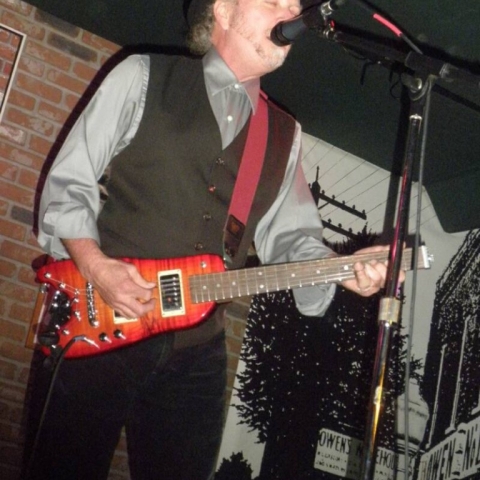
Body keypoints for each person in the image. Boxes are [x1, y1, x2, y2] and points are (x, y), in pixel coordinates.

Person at [24, 1, 397, 479]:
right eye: (274, 1)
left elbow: (295, 239)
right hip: (97, 320)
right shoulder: (143, 75)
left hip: (196, 354)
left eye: (293, 5)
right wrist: (96, 266)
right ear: (223, 10)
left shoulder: (284, 133)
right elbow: (69, 181)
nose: (290, 13)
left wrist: (345, 270)